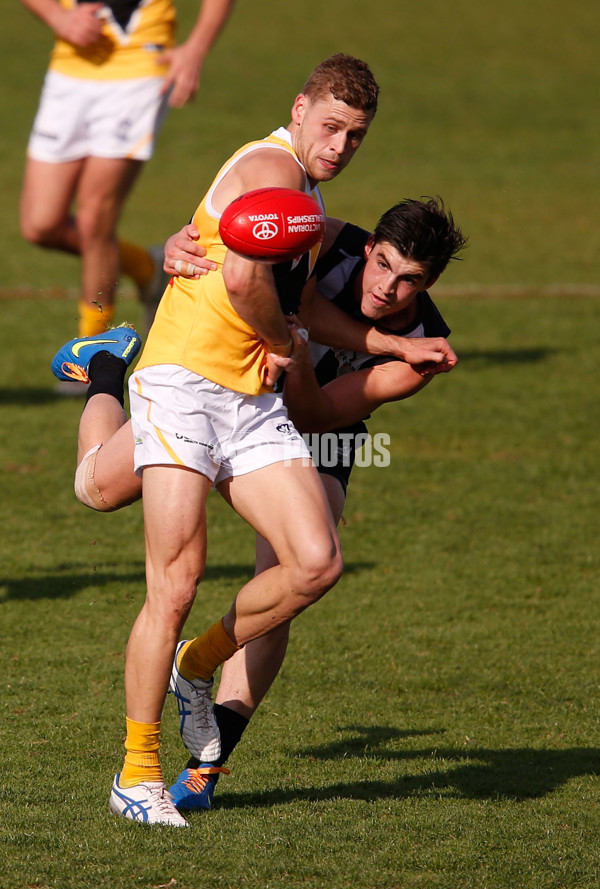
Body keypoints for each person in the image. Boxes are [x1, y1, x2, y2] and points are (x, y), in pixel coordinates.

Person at [52, 192, 463, 822]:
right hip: (225, 390)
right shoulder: (323, 235)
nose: (388, 287)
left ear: (430, 284)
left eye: (410, 281)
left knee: (298, 569)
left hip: (315, 429)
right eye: (383, 264)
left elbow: (317, 414)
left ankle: (207, 755)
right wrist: (176, 246)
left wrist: (300, 357)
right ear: (369, 247)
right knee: (95, 488)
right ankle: (106, 363)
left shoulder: (425, 347)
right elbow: (229, 238)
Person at [19, 0, 235, 342]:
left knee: (95, 221)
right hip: (69, 67)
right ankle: (146, 270)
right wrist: (57, 16)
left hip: (139, 68)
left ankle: (93, 351)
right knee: (40, 224)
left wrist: (195, 48)